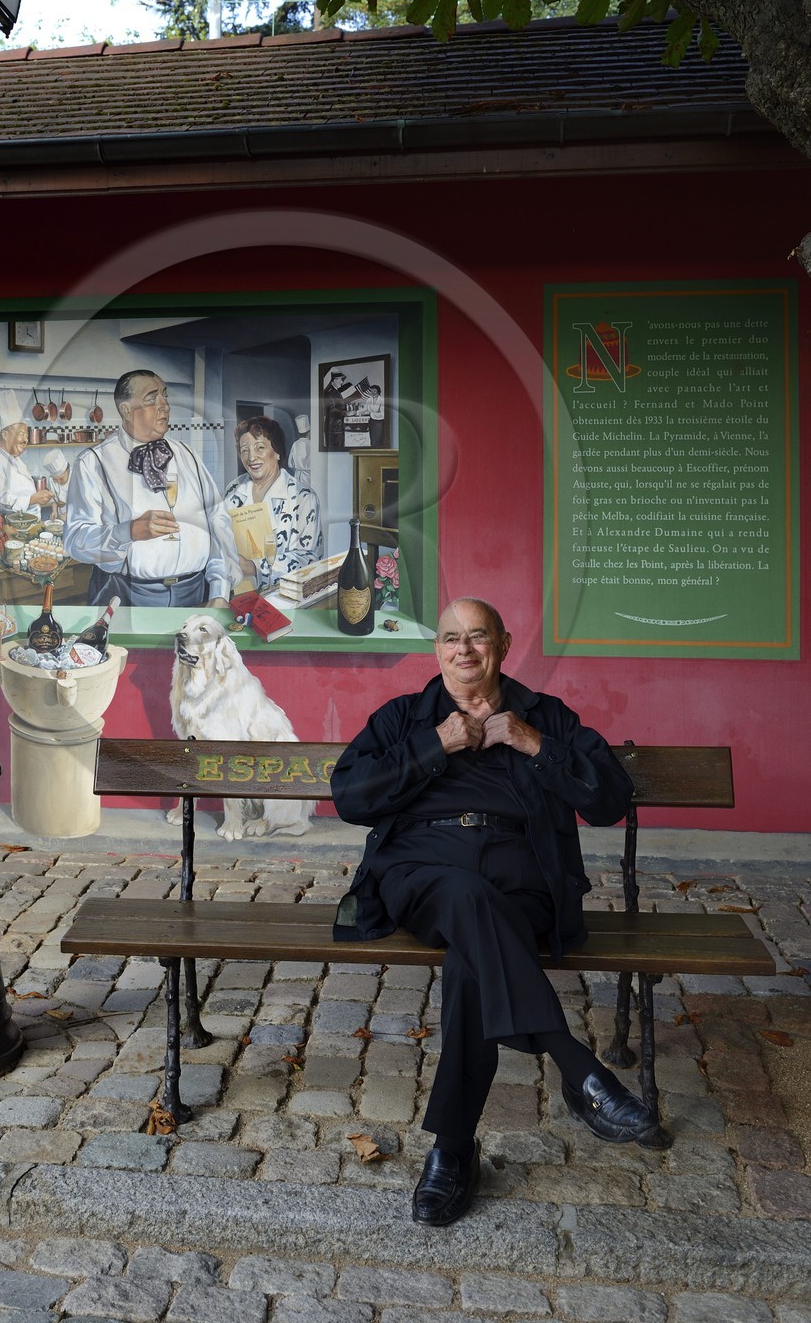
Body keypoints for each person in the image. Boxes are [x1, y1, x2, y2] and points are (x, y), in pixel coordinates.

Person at [331, 596, 657, 1228]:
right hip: (421, 874)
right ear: (437, 652)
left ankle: (453, 1149)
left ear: (503, 645)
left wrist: (536, 744)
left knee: (469, 965)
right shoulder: (406, 718)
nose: (464, 649)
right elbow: (349, 794)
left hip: (521, 877)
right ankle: (576, 1067)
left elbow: (610, 799)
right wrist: (436, 744)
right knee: (465, 898)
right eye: (451, 638)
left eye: (478, 637)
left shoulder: (545, 717)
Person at [64, 369, 239, 607]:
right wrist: (128, 532)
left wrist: (219, 590)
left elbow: (218, 522)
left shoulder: (187, 455)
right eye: (152, 398)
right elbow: (75, 540)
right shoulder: (93, 462)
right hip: (126, 594)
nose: (164, 406)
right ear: (126, 410)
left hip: (197, 593)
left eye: (165, 396)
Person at [224, 416, 322, 592]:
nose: (251, 457)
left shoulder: (302, 497)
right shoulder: (233, 490)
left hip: (284, 596)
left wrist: (254, 567)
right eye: (244, 450)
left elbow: (309, 559)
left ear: (276, 452)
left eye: (260, 448)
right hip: (237, 592)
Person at [0, 394, 53, 519]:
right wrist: (33, 499)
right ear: (4, 435)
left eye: (26, 435)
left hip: (27, 522)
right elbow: (3, 503)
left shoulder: (13, 457)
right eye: (21, 434)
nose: (25, 440)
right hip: (11, 526)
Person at [41, 450, 71, 518]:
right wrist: (54, 511)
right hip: (61, 516)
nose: (59, 482)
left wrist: (70, 515)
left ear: (67, 470)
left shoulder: (76, 477)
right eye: (56, 479)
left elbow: (83, 504)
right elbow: (54, 499)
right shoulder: (51, 479)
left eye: (61, 478)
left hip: (77, 517)